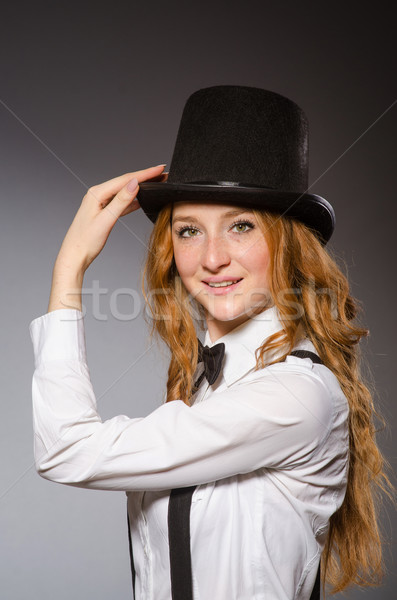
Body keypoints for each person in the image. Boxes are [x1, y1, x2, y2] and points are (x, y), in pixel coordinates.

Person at [29, 86, 393, 600]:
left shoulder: (298, 395)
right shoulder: (202, 388)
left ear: (288, 243)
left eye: (241, 226)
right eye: (189, 230)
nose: (213, 258)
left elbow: (65, 449)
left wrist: (68, 269)